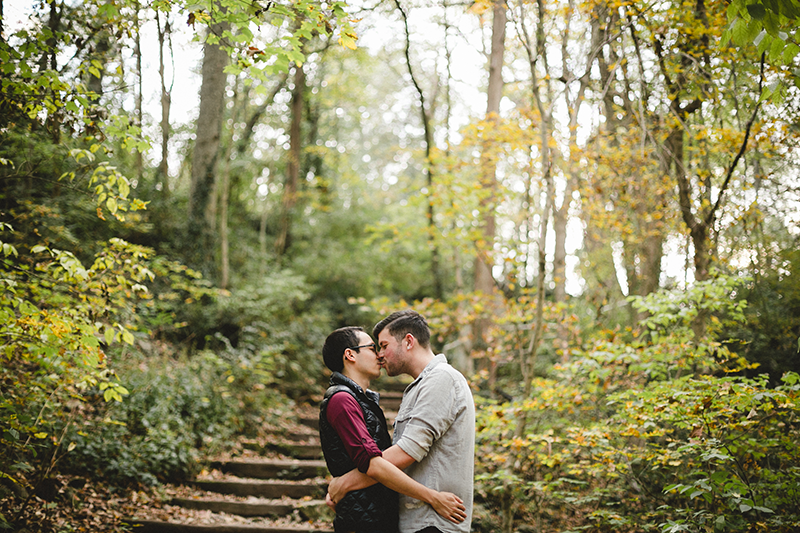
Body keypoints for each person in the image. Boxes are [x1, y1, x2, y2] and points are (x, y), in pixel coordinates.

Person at [327, 312, 475, 533]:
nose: (380, 354)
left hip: (434, 521)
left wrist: (346, 482)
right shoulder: (419, 386)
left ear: (408, 341)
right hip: (419, 519)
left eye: (384, 345)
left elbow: (406, 452)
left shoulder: (441, 379)